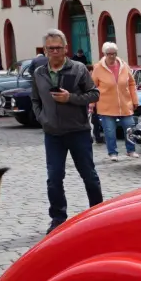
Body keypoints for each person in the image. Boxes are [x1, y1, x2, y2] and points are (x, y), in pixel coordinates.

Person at [33, 29, 103, 232]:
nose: (54, 52)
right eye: (50, 48)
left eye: (58, 48)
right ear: (45, 50)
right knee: (54, 178)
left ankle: (98, 213)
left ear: (66, 49)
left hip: (78, 131)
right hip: (53, 134)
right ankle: (57, 218)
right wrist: (42, 118)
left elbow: (94, 94)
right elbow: (35, 100)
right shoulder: (39, 73)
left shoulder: (78, 69)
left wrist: (70, 98)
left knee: (88, 175)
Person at [92, 42, 138, 161]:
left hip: (125, 103)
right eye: (109, 54)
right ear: (104, 54)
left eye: (114, 53)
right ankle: (112, 153)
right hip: (106, 105)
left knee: (129, 127)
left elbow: (132, 83)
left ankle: (131, 150)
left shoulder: (124, 65)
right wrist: (91, 104)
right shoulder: (98, 68)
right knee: (110, 131)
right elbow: (93, 87)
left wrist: (135, 100)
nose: (112, 56)